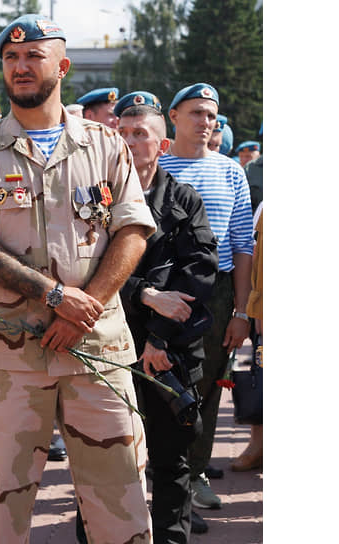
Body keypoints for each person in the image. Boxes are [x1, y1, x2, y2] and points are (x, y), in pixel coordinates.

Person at [0, 15, 156, 543]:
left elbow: (132, 229)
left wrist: (86, 307)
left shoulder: (105, 146)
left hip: (97, 349)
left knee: (120, 498)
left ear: (60, 66)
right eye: (11, 58)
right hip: (10, 355)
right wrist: (55, 296)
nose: (20, 66)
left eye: (33, 56)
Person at [115, 90, 219, 542]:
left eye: (142, 134)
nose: (132, 142)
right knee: (106, 461)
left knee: (172, 462)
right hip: (111, 347)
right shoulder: (92, 203)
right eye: (123, 134)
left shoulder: (184, 201)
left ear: (162, 145)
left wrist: (157, 338)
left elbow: (199, 274)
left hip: (170, 353)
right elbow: (85, 272)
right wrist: (146, 294)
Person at [158, 83, 254, 512]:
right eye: (196, 113)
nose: (206, 122)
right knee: (156, 382)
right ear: (174, 117)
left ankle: (195, 473)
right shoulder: (153, 166)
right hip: (161, 287)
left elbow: (242, 246)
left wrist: (240, 310)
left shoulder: (231, 171)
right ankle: (156, 471)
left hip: (215, 292)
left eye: (212, 116)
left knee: (207, 387)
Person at [231, 201, 262, 472]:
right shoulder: (265, 209)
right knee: (262, 376)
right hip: (265, 315)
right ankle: (258, 445)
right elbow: (256, 264)